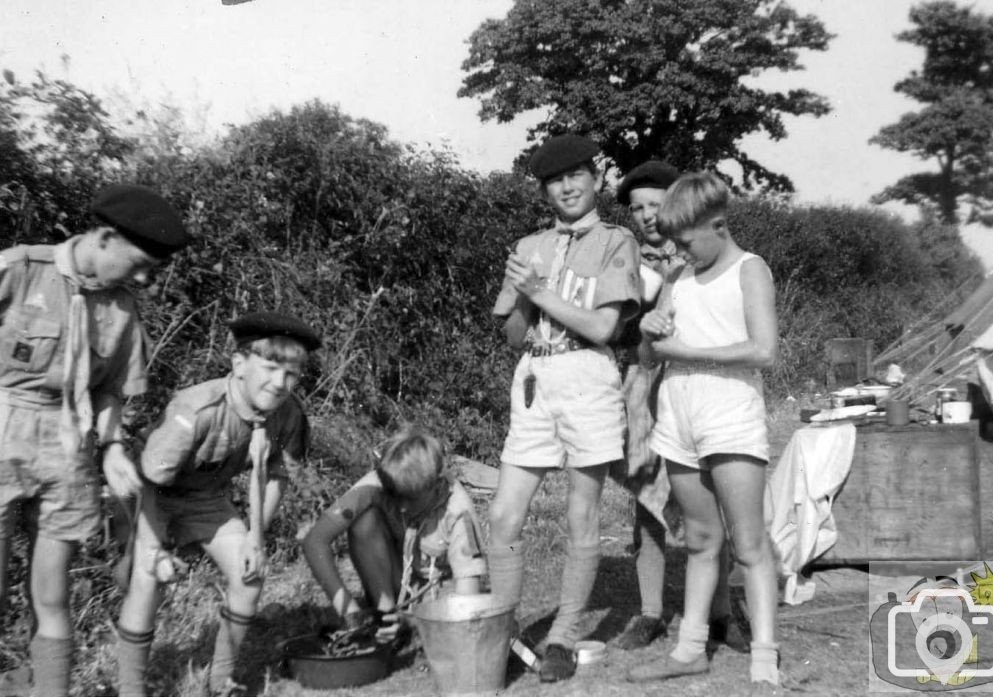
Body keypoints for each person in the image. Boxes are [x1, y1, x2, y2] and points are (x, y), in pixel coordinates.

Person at [0, 184, 187, 697]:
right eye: (140, 263)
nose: (146, 279)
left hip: (68, 449)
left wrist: (112, 449)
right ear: (104, 237)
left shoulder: (122, 310)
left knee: (52, 593)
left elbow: (108, 393)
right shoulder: (19, 270)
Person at [489, 134, 641, 683]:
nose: (568, 186)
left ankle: (562, 637)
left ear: (596, 179)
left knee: (582, 512)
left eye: (577, 174)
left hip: (587, 376)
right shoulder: (529, 245)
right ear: (545, 189)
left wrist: (542, 292)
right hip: (534, 374)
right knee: (504, 513)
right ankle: (500, 631)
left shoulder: (616, 241)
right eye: (556, 179)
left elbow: (604, 326)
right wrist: (523, 295)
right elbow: (512, 335)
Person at [626, 172, 780, 695]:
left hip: (730, 418)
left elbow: (763, 351)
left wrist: (683, 353)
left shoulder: (749, 270)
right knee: (699, 541)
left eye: (687, 241)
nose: (680, 251)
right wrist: (648, 336)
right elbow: (651, 356)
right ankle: (690, 649)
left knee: (750, 543)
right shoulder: (679, 279)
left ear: (717, 224)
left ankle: (764, 657)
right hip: (679, 419)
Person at [114, 311, 320, 697]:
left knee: (250, 574)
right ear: (239, 364)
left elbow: (277, 475)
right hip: (151, 496)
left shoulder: (288, 414)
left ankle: (220, 680)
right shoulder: (196, 410)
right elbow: (144, 481)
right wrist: (152, 548)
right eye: (271, 367)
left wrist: (256, 537)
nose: (280, 383)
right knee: (147, 578)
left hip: (205, 499)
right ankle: (130, 689)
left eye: (292, 374)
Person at [611, 162, 749, 654]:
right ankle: (650, 613)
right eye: (638, 208)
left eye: (656, 205)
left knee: (708, 493)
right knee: (647, 493)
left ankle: (721, 614)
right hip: (644, 381)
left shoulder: (703, 254)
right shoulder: (623, 256)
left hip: (700, 383)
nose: (648, 216)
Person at [301, 426, 487, 636]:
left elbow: (468, 602)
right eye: (394, 495)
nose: (401, 507)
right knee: (365, 521)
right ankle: (385, 618)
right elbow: (315, 541)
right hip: (402, 583)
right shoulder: (383, 480)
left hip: (439, 597)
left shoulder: (458, 512)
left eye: (410, 498)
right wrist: (350, 613)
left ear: (435, 485)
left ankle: (401, 625)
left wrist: (414, 622)